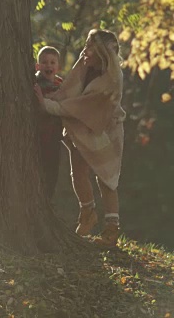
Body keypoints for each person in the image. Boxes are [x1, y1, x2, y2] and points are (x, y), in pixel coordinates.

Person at [35, 29, 125, 247]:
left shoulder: (110, 80)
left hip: (104, 131)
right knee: (78, 172)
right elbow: (68, 90)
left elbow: (79, 108)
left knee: (106, 178)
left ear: (102, 53)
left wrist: (46, 104)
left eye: (90, 48)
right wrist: (52, 97)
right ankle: (87, 213)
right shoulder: (84, 67)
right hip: (80, 130)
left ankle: (112, 229)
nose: (85, 52)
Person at [35, 46, 64, 199]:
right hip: (40, 133)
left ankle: (48, 200)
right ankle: (39, 197)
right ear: (38, 66)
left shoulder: (60, 85)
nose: (49, 66)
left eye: (53, 62)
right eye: (45, 62)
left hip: (55, 133)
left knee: (53, 167)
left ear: (58, 67)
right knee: (41, 167)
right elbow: (40, 110)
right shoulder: (36, 84)